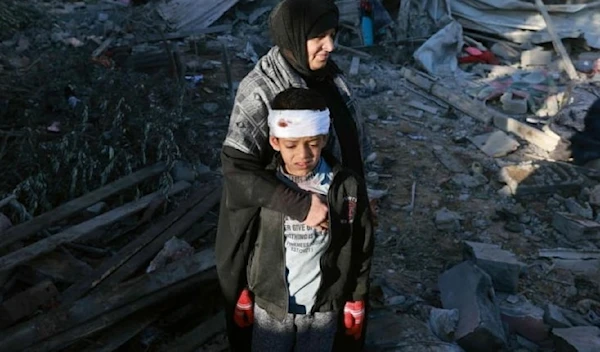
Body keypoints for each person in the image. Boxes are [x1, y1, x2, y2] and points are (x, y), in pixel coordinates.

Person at [215, 0, 372, 350]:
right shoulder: (261, 89)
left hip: (327, 258)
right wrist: (302, 206)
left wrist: (359, 197)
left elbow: (348, 143)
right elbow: (237, 170)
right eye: (318, 36)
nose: (330, 46)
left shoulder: (328, 76)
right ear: (293, 36)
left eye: (332, 35)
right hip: (272, 252)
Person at [234, 87, 373, 352]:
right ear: (275, 141)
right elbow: (247, 240)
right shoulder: (266, 187)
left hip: (323, 307)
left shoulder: (346, 187)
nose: (303, 155)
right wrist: (245, 288)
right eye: (291, 145)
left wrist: (356, 298)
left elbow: (361, 244)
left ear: (324, 138)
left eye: (312, 143)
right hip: (271, 305)